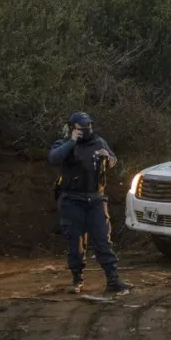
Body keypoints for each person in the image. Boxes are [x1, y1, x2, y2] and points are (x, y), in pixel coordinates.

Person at [48, 111, 131, 294]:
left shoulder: (99, 142)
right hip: (72, 200)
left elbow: (113, 160)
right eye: (81, 128)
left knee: (103, 240)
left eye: (88, 127)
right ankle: (77, 279)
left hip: (95, 198)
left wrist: (108, 159)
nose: (86, 131)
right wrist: (72, 141)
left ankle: (113, 279)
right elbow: (54, 158)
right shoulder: (64, 144)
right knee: (75, 243)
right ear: (72, 128)